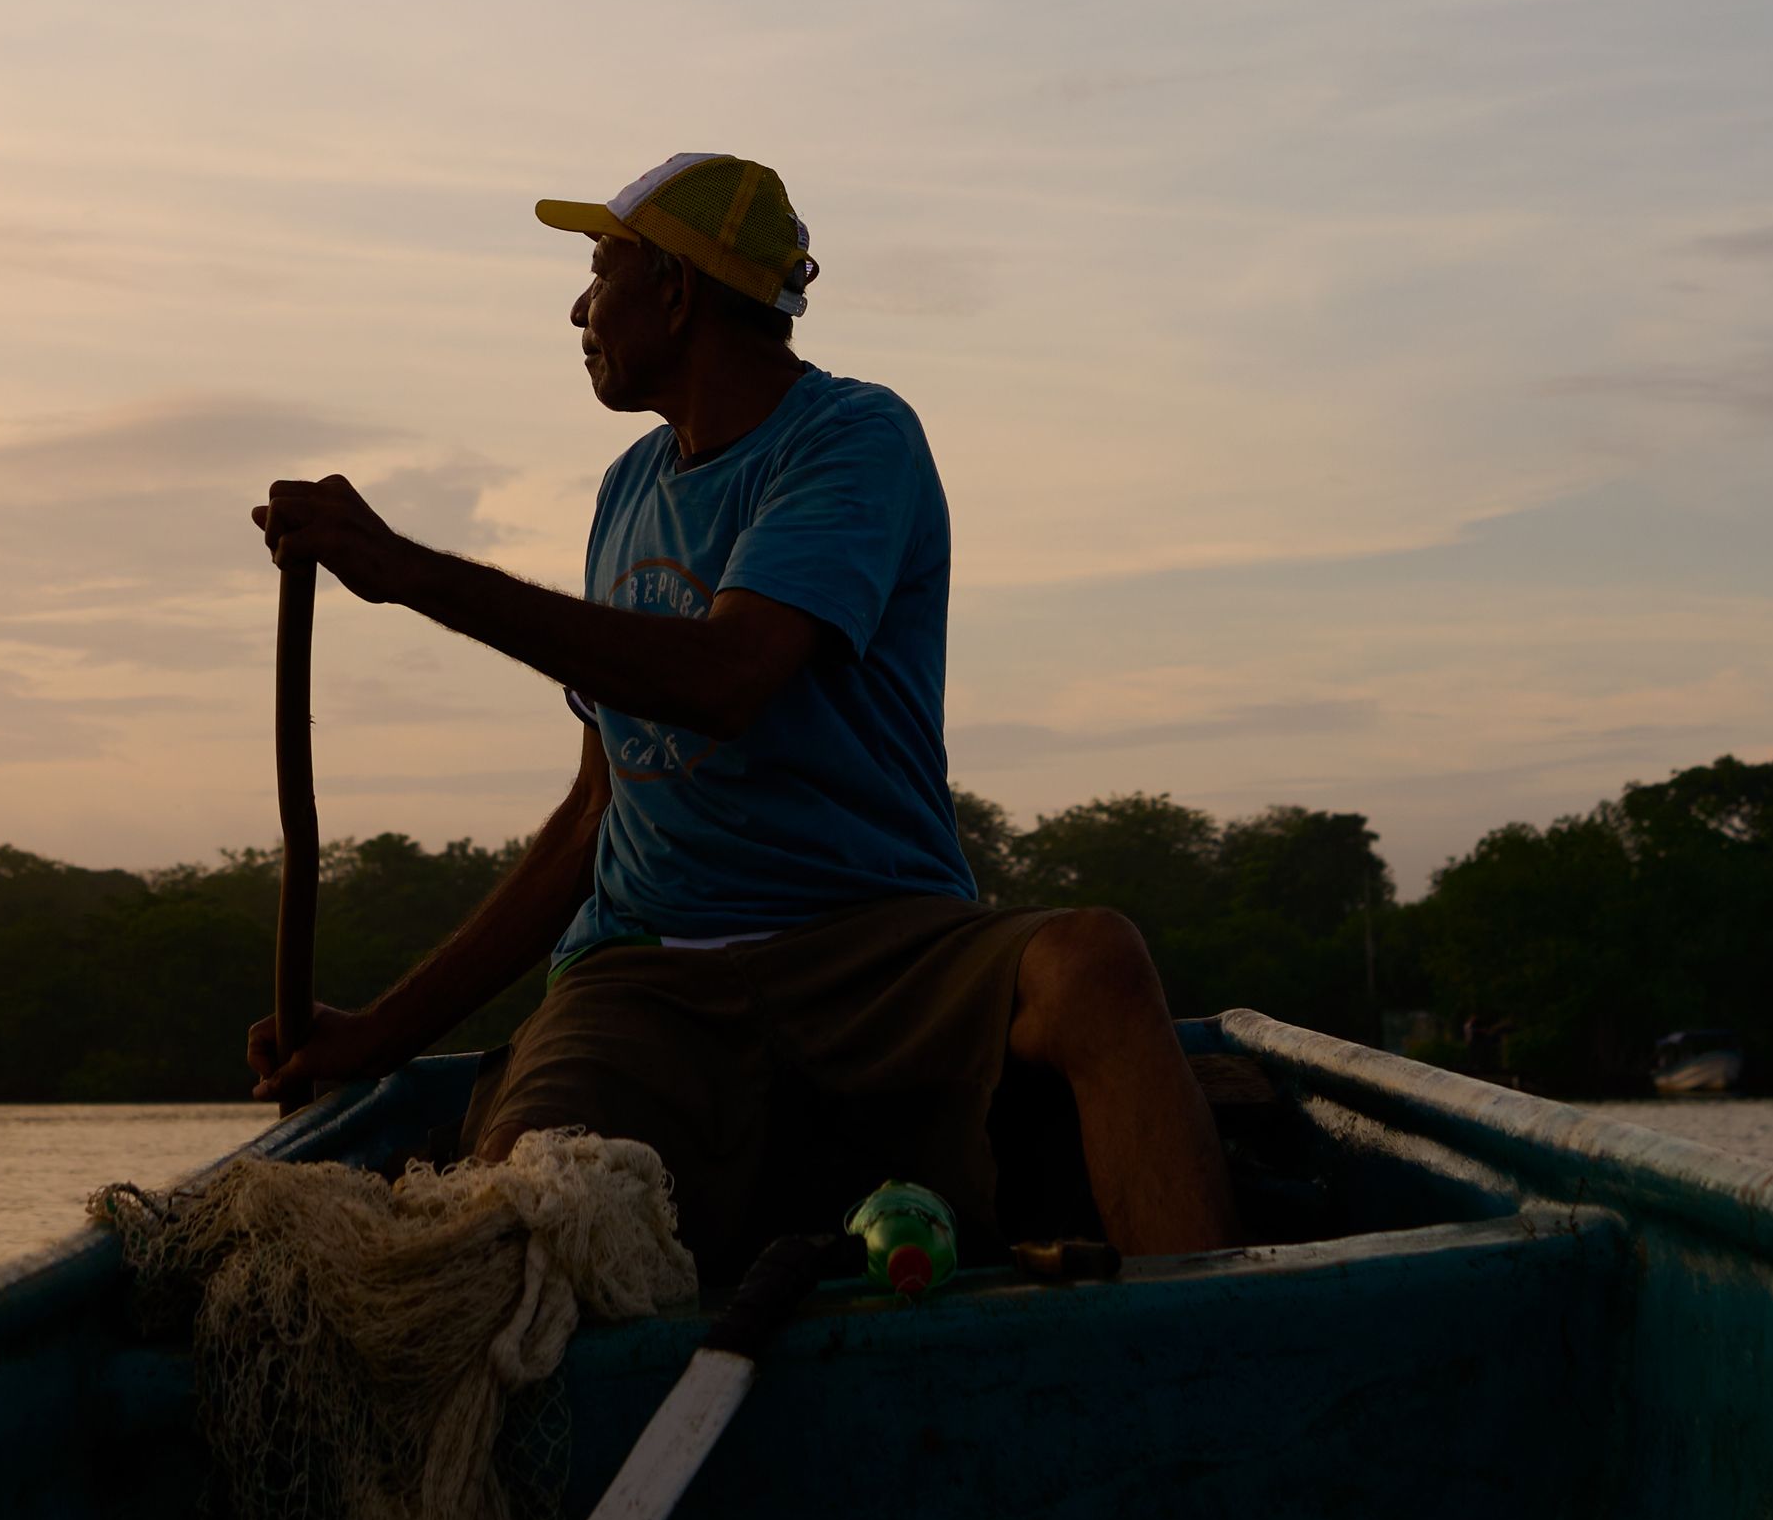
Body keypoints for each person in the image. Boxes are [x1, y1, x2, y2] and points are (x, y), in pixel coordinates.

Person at [250, 151, 1234, 1272]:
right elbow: (592, 812)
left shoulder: (854, 436)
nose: (579, 307)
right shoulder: (627, 485)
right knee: (531, 1185)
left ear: (673, 287)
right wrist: (379, 1030)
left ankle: (1219, 1350)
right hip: (643, 966)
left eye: (600, 269)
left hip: (873, 941)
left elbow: (726, 673)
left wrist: (406, 568)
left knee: (1097, 963)